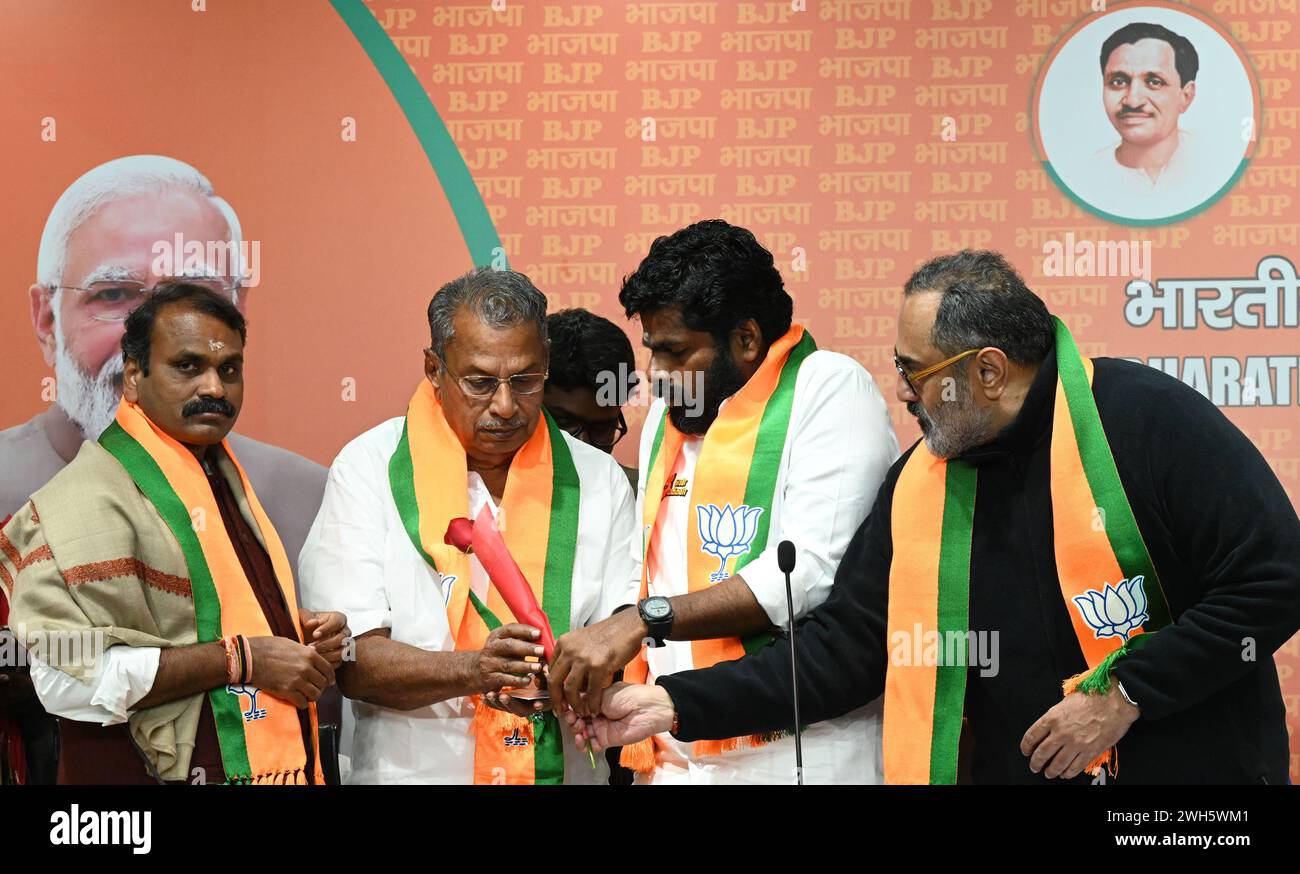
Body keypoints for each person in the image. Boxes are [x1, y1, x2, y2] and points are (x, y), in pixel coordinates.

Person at [573, 250, 1300, 785]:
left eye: (914, 372)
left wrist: (1125, 694)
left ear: (987, 371)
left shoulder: (1142, 418)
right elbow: (844, 651)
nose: (901, 394)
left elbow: (1277, 577)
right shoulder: (919, 481)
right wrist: (671, 703)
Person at [0, 155, 330, 781]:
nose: (214, 388)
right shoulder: (76, 505)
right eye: (114, 292)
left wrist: (297, 633)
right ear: (135, 373)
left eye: (228, 368)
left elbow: (215, 622)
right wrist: (241, 660)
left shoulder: (248, 488)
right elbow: (66, 680)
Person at [547, 220, 899, 784]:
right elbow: (652, 571)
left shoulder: (828, 388)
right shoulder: (669, 416)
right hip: (670, 746)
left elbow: (806, 576)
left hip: (794, 754)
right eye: (652, 353)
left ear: (747, 340)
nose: (656, 378)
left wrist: (644, 621)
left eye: (676, 352)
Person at [298, 268, 639, 784]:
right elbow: (352, 661)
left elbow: (626, 632)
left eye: (525, 381)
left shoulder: (599, 479)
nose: (505, 406)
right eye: (480, 383)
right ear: (434, 370)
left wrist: (581, 668)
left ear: (545, 365)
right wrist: (476, 670)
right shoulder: (368, 467)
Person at [1086, 22, 1205, 213]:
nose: (1133, 101)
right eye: (1118, 81)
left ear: (1186, 96)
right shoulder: (1087, 175)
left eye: (1154, 82)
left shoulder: (1214, 162)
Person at [543, 308, 639, 489]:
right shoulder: (482, 494)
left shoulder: (645, 502)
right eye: (564, 423)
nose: (582, 446)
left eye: (601, 429)